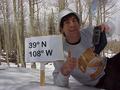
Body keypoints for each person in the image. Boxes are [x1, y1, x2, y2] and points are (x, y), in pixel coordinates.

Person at [52, 8, 120, 90]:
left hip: (110, 64)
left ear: (79, 24)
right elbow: (58, 83)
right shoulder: (60, 52)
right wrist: (64, 71)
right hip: (101, 80)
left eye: (74, 21)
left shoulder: (89, 32)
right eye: (67, 22)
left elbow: (111, 27)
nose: (72, 25)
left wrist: (107, 26)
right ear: (61, 29)